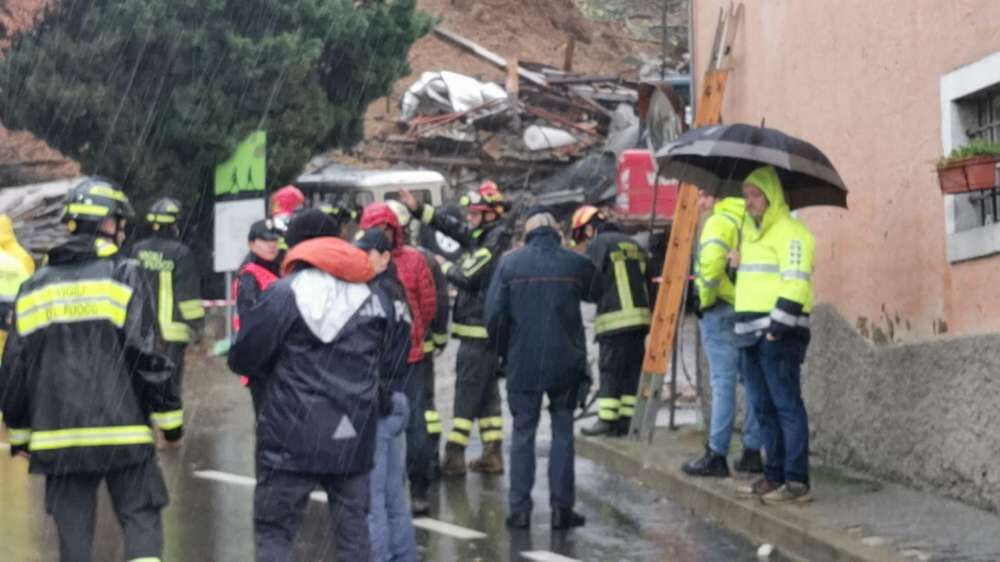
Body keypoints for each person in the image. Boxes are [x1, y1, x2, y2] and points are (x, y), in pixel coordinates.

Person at [0, 177, 178, 562]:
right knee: (140, 517)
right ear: (108, 224)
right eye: (120, 221)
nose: (124, 230)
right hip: (124, 432)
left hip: (58, 438)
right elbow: (145, 353)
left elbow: (15, 366)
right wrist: (169, 419)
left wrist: (21, 434)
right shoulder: (124, 273)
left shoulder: (34, 287)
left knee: (73, 537)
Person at [229, 222, 401, 561]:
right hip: (353, 436)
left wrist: (273, 373)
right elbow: (391, 360)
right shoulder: (376, 299)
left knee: (275, 532)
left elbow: (244, 357)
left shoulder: (283, 293)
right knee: (353, 536)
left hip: (289, 438)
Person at [485, 208, 596, 531]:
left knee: (522, 435)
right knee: (563, 434)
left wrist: (506, 352)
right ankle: (562, 509)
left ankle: (520, 511)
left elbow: (494, 318)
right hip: (566, 363)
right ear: (557, 234)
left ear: (527, 233)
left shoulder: (509, 264)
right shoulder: (573, 263)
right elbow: (599, 290)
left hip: (523, 364)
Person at [400, 181, 512, 476]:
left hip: (478, 333)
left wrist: (441, 265)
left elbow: (467, 276)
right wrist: (421, 211)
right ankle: (492, 453)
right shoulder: (487, 235)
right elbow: (456, 229)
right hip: (484, 334)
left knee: (465, 394)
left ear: (491, 214)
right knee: (487, 395)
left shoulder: (494, 243)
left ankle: (454, 456)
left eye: (476, 214)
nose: (470, 220)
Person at [732, 165, 815, 503]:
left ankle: (796, 481)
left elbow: (795, 281)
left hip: (778, 334)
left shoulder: (792, 233)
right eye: (746, 195)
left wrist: (775, 330)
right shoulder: (750, 234)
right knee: (763, 407)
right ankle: (774, 474)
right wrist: (733, 266)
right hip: (750, 334)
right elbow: (752, 283)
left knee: (786, 405)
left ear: (771, 196)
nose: (749, 201)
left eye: (755, 195)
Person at [681, 192, 765, 477]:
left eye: (704, 196)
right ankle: (753, 451)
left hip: (719, 309)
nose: (701, 203)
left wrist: (703, 300)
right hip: (747, 305)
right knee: (751, 379)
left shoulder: (719, 221)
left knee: (723, 381)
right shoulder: (752, 220)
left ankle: (717, 453)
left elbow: (712, 263)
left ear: (717, 196)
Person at [369, 200, 439, 515]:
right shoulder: (412, 260)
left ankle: (411, 487)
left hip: (398, 359)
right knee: (405, 425)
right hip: (396, 358)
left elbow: (427, 304)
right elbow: (427, 306)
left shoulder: (402, 261)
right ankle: (409, 491)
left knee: (407, 426)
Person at [355, 227, 417, 562]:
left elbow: (365, 353)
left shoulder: (373, 296)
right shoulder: (396, 292)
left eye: (368, 252)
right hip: (398, 399)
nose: (362, 258)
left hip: (378, 403)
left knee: (372, 501)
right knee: (394, 498)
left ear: (385, 257)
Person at [571, 205, 652, 437]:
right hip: (640, 320)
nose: (584, 243)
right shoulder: (633, 243)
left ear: (588, 229)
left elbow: (592, 279)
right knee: (631, 371)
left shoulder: (599, 244)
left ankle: (606, 420)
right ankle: (626, 420)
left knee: (610, 370)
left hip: (614, 320)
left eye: (581, 236)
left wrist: (584, 294)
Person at [131, 197, 205, 446]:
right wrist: (198, 328)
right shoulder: (181, 253)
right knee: (168, 384)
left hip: (140, 331)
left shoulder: (137, 250)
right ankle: (171, 437)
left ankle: (144, 430)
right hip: (171, 333)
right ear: (174, 225)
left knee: (140, 379)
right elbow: (188, 299)